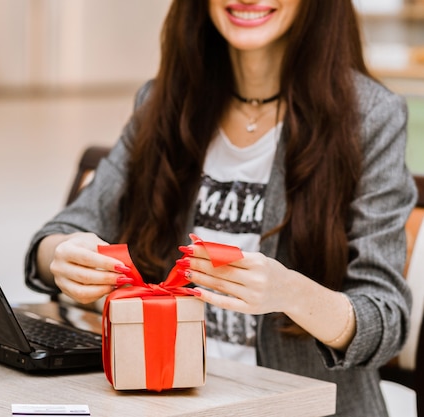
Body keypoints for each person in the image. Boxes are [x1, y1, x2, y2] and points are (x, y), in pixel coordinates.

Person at [24, 1, 417, 416]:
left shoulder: (370, 116)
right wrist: (62, 255)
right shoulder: (164, 100)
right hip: (168, 400)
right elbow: (56, 238)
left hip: (298, 406)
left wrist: (289, 292)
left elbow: (385, 323)